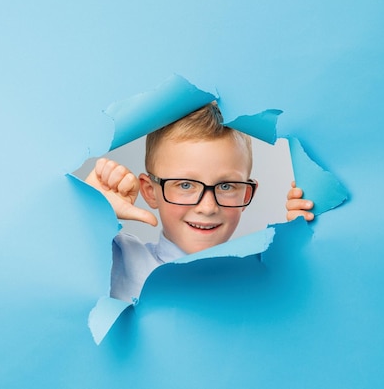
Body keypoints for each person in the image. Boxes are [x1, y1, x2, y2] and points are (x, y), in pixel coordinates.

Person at [86, 102, 314, 302]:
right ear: (150, 191)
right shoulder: (120, 260)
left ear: (246, 195)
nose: (207, 208)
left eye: (226, 186)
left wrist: (298, 245)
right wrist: (87, 208)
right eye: (185, 185)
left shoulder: (265, 274)